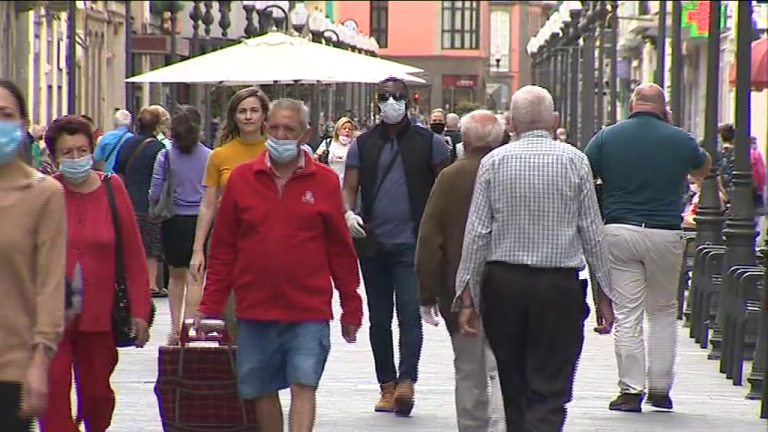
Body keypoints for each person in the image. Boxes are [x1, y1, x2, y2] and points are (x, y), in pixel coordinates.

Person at [195, 99, 362, 432]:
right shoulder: (242, 179)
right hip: (255, 308)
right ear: (265, 128)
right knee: (263, 390)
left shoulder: (325, 182)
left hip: (308, 309)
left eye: (290, 129)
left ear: (305, 134)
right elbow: (224, 249)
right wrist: (210, 306)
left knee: (304, 384)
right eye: (275, 128)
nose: (281, 135)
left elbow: (340, 251)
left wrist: (351, 306)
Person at [455, 85, 615, 431]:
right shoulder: (575, 161)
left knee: (512, 382)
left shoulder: (493, 163)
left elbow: (478, 232)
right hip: (558, 288)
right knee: (551, 385)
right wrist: (604, 293)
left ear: (511, 123)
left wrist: (467, 296)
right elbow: (592, 231)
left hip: (504, 285)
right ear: (554, 120)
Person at [584, 83, 711, 412]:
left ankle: (630, 390)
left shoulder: (607, 137)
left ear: (632, 104)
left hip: (619, 229)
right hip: (665, 232)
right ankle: (659, 387)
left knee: (628, 312)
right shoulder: (680, 138)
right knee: (663, 310)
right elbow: (703, 167)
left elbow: (585, 172)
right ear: (663, 108)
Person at [342, 76, 451, 416]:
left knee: (409, 314)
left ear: (408, 100)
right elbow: (350, 185)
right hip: (372, 244)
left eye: (398, 96)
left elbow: (444, 185)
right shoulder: (363, 144)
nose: (391, 103)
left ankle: (407, 381)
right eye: (385, 97)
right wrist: (347, 212)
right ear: (377, 102)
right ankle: (386, 386)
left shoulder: (430, 143)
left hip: (412, 244)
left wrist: (440, 233)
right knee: (378, 319)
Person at [40, 115, 152, 431]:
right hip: (52, 319)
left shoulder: (112, 188)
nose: (76, 158)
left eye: (82, 151)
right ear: (55, 158)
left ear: (92, 151)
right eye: (67, 153)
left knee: (97, 397)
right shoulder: (45, 193)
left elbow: (133, 253)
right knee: (53, 397)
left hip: (99, 315)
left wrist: (140, 310)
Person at [415, 110, 506, 432]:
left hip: (459, 290)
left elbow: (430, 240)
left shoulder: (450, 177)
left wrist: (427, 293)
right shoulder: (509, 172)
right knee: (503, 368)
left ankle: (472, 426)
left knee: (468, 369)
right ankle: (502, 424)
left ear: (463, 140)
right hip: (506, 286)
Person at [0, 79, 67, 431]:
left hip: (11, 367)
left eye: (5, 114)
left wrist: (41, 360)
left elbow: (50, 283)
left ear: (23, 124)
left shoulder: (44, 195)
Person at [189, 87, 271, 342]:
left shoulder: (275, 151)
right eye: (242, 111)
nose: (248, 116)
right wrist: (198, 250)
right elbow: (208, 205)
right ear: (234, 116)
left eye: (254, 111)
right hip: (230, 241)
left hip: (268, 239)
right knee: (233, 315)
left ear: (264, 115)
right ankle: (237, 359)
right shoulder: (220, 156)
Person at [150, 109, 211, 345]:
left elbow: (155, 190)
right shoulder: (210, 156)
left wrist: (154, 205)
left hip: (173, 220)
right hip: (201, 220)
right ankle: (189, 327)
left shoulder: (165, 156)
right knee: (196, 277)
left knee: (175, 277)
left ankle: (175, 330)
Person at [114, 108, 167, 299]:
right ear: (157, 125)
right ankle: (151, 284)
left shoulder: (127, 143)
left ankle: (131, 281)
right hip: (150, 204)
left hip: (129, 202)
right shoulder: (159, 148)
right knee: (151, 246)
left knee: (131, 245)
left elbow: (119, 173)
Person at [314, 116, 356, 185]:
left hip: (347, 185)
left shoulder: (354, 145)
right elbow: (315, 159)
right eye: (344, 128)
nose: (347, 131)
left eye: (350, 129)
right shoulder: (328, 143)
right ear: (338, 131)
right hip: (329, 183)